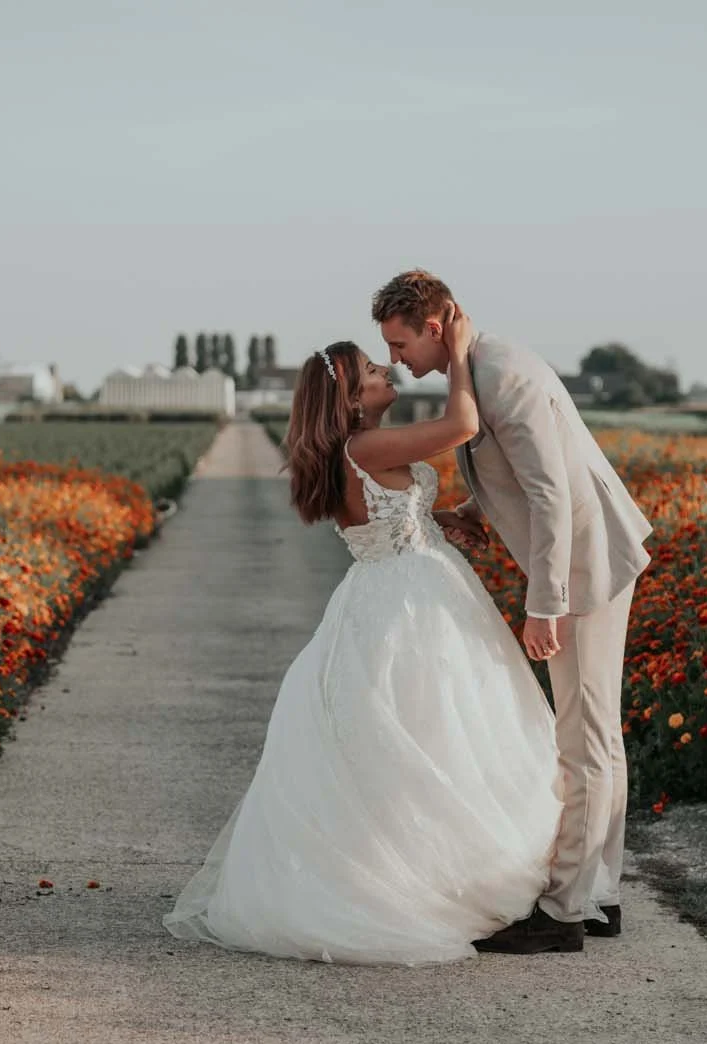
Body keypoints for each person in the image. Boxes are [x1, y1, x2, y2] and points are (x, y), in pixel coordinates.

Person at [162, 307, 574, 964]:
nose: (388, 370)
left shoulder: (360, 453)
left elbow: (391, 511)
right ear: (353, 401)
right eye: (374, 370)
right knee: (438, 735)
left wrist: (440, 519)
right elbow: (464, 424)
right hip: (410, 597)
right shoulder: (364, 447)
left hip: (399, 584)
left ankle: (443, 869)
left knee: (431, 739)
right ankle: (450, 881)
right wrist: (461, 351)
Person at [374, 269, 652, 951]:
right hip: (590, 555)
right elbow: (523, 476)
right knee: (598, 732)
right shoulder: (484, 366)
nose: (396, 361)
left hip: (585, 565)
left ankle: (562, 912)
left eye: (401, 343)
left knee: (581, 739)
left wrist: (545, 604)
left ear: (434, 326)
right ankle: (600, 892)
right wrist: (476, 510)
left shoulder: (499, 374)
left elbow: (552, 494)